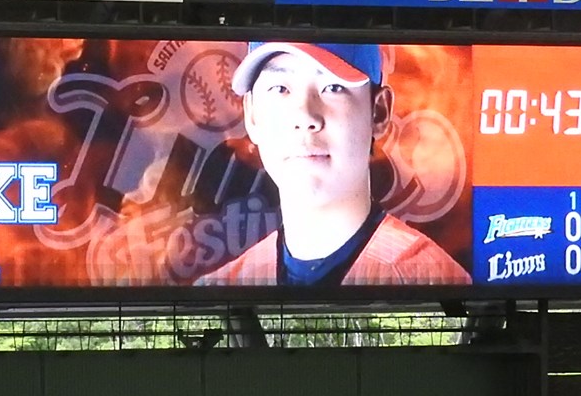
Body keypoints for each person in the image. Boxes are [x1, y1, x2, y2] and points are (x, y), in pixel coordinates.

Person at [197, 42, 470, 286]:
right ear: (252, 115)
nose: (305, 116)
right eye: (280, 89)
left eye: (333, 87)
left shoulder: (437, 282)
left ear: (378, 112)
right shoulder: (219, 289)